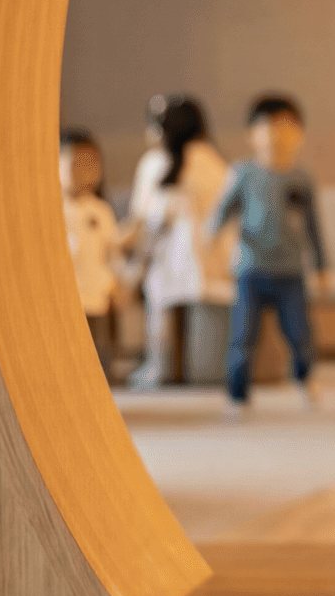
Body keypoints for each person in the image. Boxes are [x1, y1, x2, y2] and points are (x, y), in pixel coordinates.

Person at [212, 93, 329, 413]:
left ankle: (305, 378)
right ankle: (236, 395)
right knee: (242, 336)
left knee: (299, 332)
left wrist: (321, 266)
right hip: (250, 269)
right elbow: (222, 212)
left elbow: (313, 225)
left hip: (290, 272)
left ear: (300, 135)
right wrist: (211, 240)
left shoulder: (300, 178)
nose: (277, 136)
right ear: (252, 135)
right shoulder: (243, 174)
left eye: (286, 128)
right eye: (268, 128)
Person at [124, 94, 232, 389]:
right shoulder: (216, 163)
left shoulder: (155, 163)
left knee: (157, 301)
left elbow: (146, 221)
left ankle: (160, 365)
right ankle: (191, 366)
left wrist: (135, 261)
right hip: (216, 261)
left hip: (169, 262)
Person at [59, 127, 122, 378]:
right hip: (67, 297)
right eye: (75, 164)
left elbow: (112, 252)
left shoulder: (100, 210)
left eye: (91, 164)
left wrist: (116, 284)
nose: (84, 172)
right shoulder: (55, 209)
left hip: (98, 296)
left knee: (97, 353)